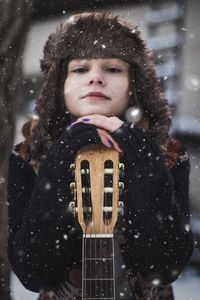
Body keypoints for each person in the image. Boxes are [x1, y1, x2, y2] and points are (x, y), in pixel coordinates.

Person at [7, 12, 193, 300]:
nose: (96, 78)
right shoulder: (27, 157)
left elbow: (164, 266)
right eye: (80, 69)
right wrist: (61, 155)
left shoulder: (167, 156)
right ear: (59, 85)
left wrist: (140, 155)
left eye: (113, 69)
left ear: (134, 87)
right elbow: (34, 272)